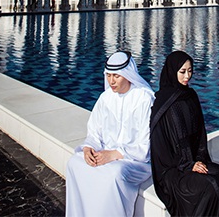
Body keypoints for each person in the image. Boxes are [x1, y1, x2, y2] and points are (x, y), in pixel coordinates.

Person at [150, 50, 219, 217]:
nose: (187, 76)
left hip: (194, 161)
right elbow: (160, 149)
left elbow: (200, 135)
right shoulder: (162, 102)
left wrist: (198, 159)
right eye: (182, 72)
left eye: (190, 71)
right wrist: (187, 165)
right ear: (172, 72)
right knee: (210, 187)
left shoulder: (190, 95)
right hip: (172, 170)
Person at [65, 51, 155, 217]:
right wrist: (88, 149)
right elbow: (94, 132)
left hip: (135, 161)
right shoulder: (106, 98)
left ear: (127, 75)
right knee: (74, 163)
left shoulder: (144, 99)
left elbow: (145, 146)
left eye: (116, 76)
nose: (111, 81)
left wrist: (114, 154)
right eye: (108, 75)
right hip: (106, 153)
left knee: (114, 174)